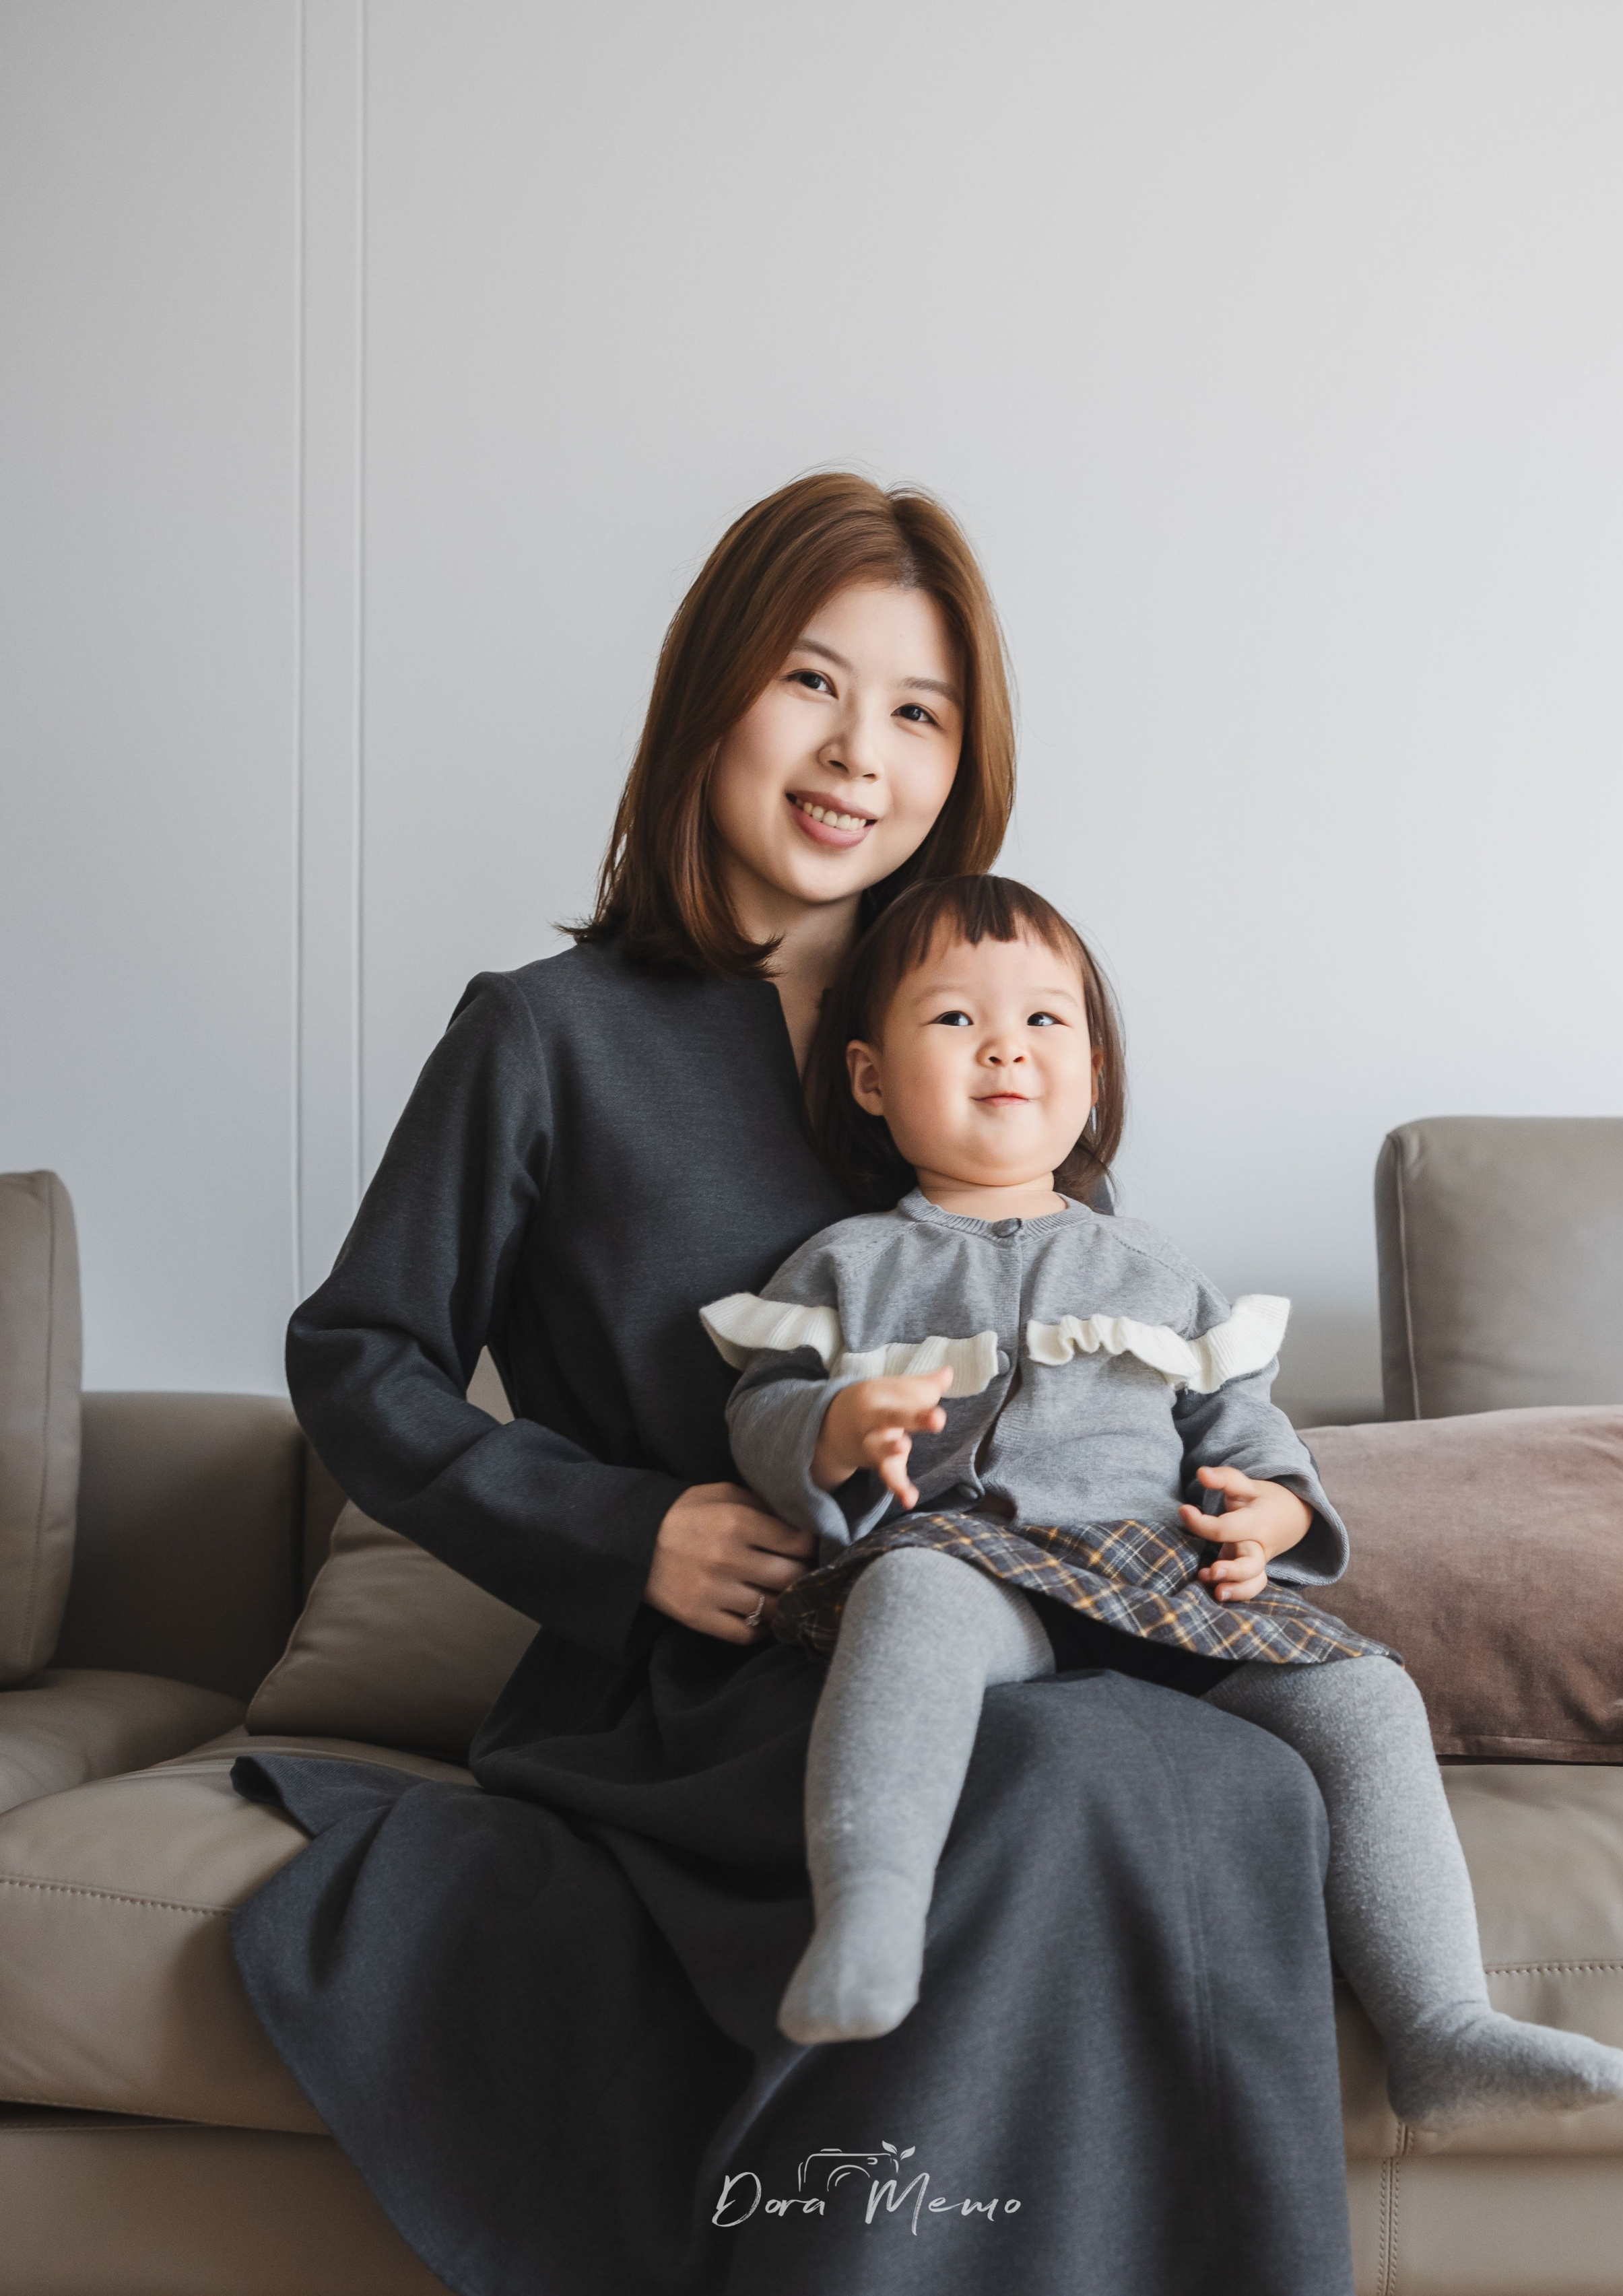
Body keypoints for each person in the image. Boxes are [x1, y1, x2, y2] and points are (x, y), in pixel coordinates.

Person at [229, 472, 1359, 2296]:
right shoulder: (544, 1037)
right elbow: (356, 1356)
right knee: (1047, 1779)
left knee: (1240, 1784)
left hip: (1036, 1633)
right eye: (812, 683)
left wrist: (1234, 1508)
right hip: (712, 1689)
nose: (858, 754)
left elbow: (1113, 1352)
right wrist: (625, 1533)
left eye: (918, 712)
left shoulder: (993, 1014)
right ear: (713, 694)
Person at [700, 873, 1623, 2136]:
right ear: (870, 1078)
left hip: (1161, 1578)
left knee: (1367, 1692)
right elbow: (758, 1407)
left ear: (1093, 1072)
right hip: (975, 1565)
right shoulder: (848, 1264)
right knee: (909, 1596)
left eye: (1045, 1021)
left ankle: (1444, 2022)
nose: (1005, 1048)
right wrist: (829, 1430)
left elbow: (1243, 1426)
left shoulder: (1154, 1269)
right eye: (956, 1019)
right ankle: (870, 1922)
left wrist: (1277, 1516)